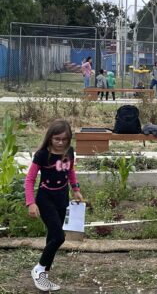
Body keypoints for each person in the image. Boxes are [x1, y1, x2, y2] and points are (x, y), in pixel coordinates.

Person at [25, 119, 84, 292]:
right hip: (45, 199)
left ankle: (45, 274)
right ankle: (39, 269)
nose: (60, 143)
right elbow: (30, 179)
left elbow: (70, 172)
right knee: (59, 237)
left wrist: (76, 189)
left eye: (64, 139)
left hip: (62, 198)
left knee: (52, 236)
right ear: (50, 138)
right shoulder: (42, 155)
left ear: (68, 139)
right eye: (56, 139)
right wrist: (31, 203)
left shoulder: (69, 152)